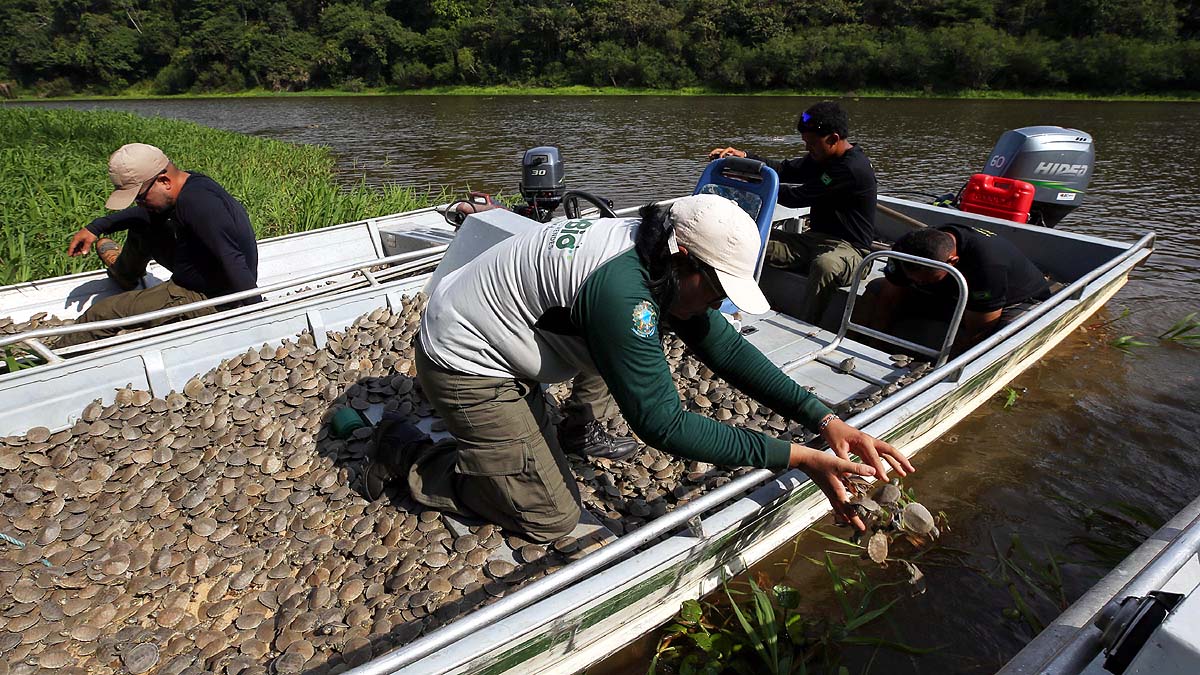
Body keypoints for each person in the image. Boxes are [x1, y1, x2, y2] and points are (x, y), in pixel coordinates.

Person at [367, 194, 912, 543]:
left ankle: (576, 429)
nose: (719, 305)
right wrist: (795, 458)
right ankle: (408, 450)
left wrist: (824, 420)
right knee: (550, 520)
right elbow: (662, 424)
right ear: (683, 256)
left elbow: (722, 347)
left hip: (524, 326)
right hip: (466, 362)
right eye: (717, 290)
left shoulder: (656, 256)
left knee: (650, 335)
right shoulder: (623, 293)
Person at [59, 143, 259, 348]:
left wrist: (260, 315)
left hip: (205, 295)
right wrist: (96, 227)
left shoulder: (199, 204)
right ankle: (124, 275)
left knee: (100, 314)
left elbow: (232, 258)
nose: (139, 203)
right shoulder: (188, 183)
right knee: (143, 224)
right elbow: (142, 215)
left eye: (140, 197)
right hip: (199, 269)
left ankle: (50, 360)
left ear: (164, 181)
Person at [708, 101, 877, 325]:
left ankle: (806, 324)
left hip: (852, 250)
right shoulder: (823, 158)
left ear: (833, 139)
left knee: (824, 265)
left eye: (811, 144)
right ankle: (723, 303)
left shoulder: (851, 168)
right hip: (813, 240)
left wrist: (749, 179)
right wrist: (745, 158)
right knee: (750, 241)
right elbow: (785, 169)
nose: (808, 149)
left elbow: (798, 197)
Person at [863, 224, 1053, 353]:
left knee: (1006, 334)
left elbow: (980, 328)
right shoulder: (906, 248)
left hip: (1011, 301)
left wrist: (943, 369)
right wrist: (874, 344)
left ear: (952, 262)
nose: (917, 282)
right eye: (913, 278)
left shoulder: (987, 265)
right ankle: (856, 342)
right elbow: (889, 296)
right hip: (952, 291)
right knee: (876, 289)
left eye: (926, 279)